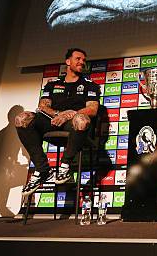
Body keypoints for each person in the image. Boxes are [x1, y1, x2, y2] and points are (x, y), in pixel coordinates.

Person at [15, 48, 100, 196]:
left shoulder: (90, 85)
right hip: (51, 119)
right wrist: (59, 114)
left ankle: (65, 166)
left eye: (84, 60)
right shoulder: (53, 83)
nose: (82, 62)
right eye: (78, 59)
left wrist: (70, 114)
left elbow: (92, 109)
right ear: (68, 62)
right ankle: (42, 169)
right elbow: (43, 105)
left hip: (73, 122)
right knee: (22, 119)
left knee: (81, 120)